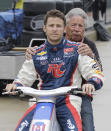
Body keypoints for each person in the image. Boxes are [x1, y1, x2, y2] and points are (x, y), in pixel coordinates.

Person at [6, 9, 104, 131]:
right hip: (40, 101)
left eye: (58, 26)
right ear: (44, 28)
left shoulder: (79, 49)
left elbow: (96, 73)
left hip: (68, 100)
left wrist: (91, 82)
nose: (54, 29)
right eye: (51, 26)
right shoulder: (35, 52)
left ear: (64, 29)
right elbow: (23, 77)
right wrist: (15, 85)